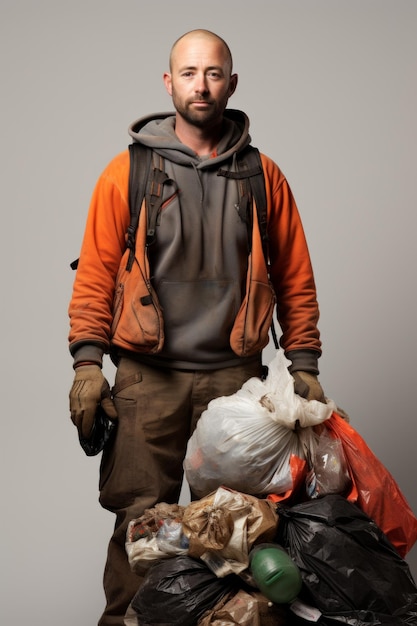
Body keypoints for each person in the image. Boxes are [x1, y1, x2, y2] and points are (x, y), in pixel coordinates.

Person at [68, 29, 325, 626]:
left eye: (213, 74)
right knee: (140, 527)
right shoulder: (125, 172)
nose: (200, 85)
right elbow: (97, 273)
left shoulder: (264, 176)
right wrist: (86, 364)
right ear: (169, 83)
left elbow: (296, 277)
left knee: (243, 531)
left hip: (235, 383)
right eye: (188, 73)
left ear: (231, 84)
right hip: (146, 379)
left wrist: (305, 365)